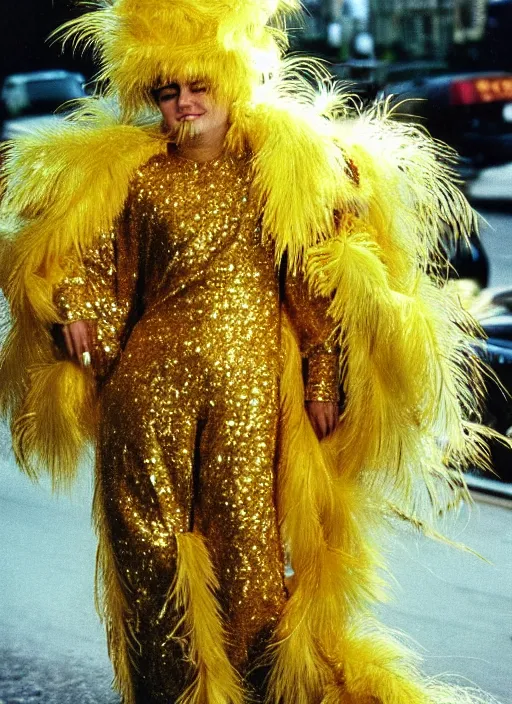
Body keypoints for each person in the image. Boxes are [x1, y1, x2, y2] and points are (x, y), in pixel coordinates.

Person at [0, 2, 500, 703]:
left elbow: (316, 285)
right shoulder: (138, 178)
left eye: (196, 85)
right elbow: (94, 263)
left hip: (252, 392)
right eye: (166, 92)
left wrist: (322, 379)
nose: (182, 103)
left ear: (230, 78)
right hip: (144, 393)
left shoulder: (277, 172)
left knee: (249, 557)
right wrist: (74, 313)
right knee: (149, 554)